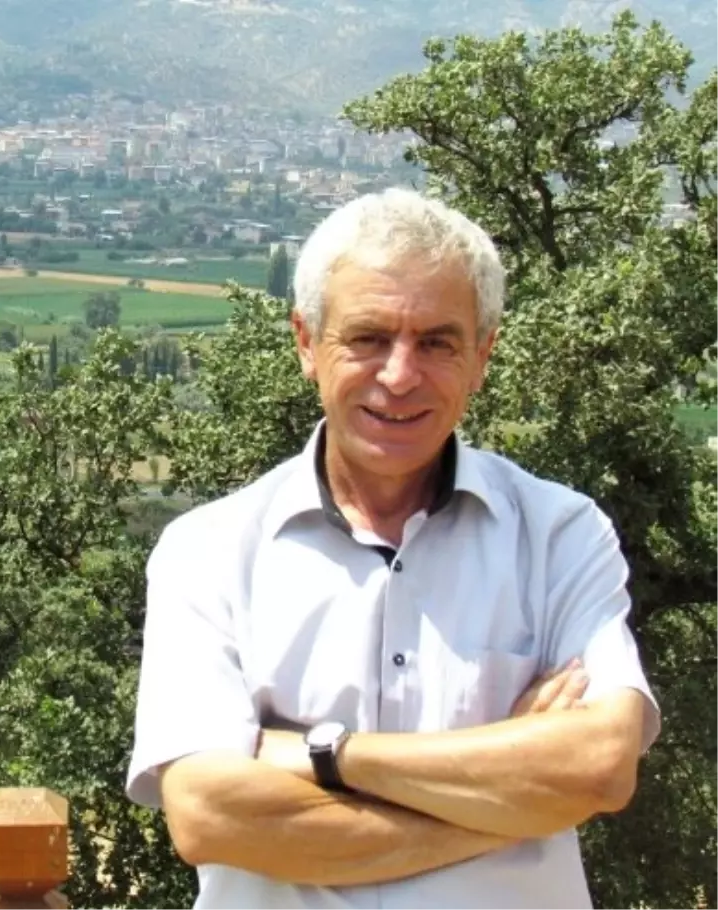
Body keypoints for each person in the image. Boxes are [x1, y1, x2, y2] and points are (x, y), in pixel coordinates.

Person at [125, 188, 660, 909]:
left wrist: (323, 754)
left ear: (482, 356)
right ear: (307, 343)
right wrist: (513, 790)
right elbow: (206, 816)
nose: (400, 375)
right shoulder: (209, 553)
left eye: (437, 342)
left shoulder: (560, 534)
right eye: (369, 338)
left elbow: (599, 767)